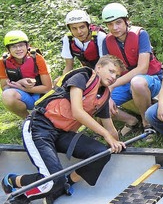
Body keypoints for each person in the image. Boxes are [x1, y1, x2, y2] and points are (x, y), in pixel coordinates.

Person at [1, 56, 127, 203]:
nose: (113, 77)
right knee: (52, 181)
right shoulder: (82, 77)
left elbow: (111, 130)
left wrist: (117, 143)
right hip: (39, 127)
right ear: (98, 68)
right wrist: (105, 134)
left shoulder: (103, 96)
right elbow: (77, 112)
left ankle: (61, 185)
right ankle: (14, 183)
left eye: (117, 75)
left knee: (100, 153)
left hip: (62, 133)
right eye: (111, 71)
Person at [101, 2, 163, 135]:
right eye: (110, 24)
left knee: (137, 82)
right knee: (97, 101)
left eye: (118, 22)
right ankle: (132, 121)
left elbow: (142, 68)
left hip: (151, 79)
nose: (115, 27)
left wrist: (112, 86)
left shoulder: (141, 35)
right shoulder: (106, 41)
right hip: (125, 81)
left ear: (126, 21)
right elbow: (107, 71)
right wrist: (107, 93)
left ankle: (147, 124)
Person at [1, 30, 53, 118]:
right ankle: (28, 119)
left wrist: (24, 88)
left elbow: (48, 88)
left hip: (41, 96)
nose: (18, 49)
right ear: (8, 49)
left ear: (27, 46)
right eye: (13, 46)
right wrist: (21, 82)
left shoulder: (37, 58)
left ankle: (42, 116)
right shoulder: (3, 62)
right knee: (7, 95)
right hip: (24, 97)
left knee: (50, 119)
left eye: (21, 45)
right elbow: (4, 88)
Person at [60, 9, 107, 75]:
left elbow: (105, 64)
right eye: (74, 28)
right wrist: (62, 82)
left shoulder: (100, 37)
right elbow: (69, 66)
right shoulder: (68, 39)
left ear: (88, 26)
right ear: (70, 29)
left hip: (104, 71)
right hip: (88, 72)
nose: (79, 32)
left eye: (82, 27)